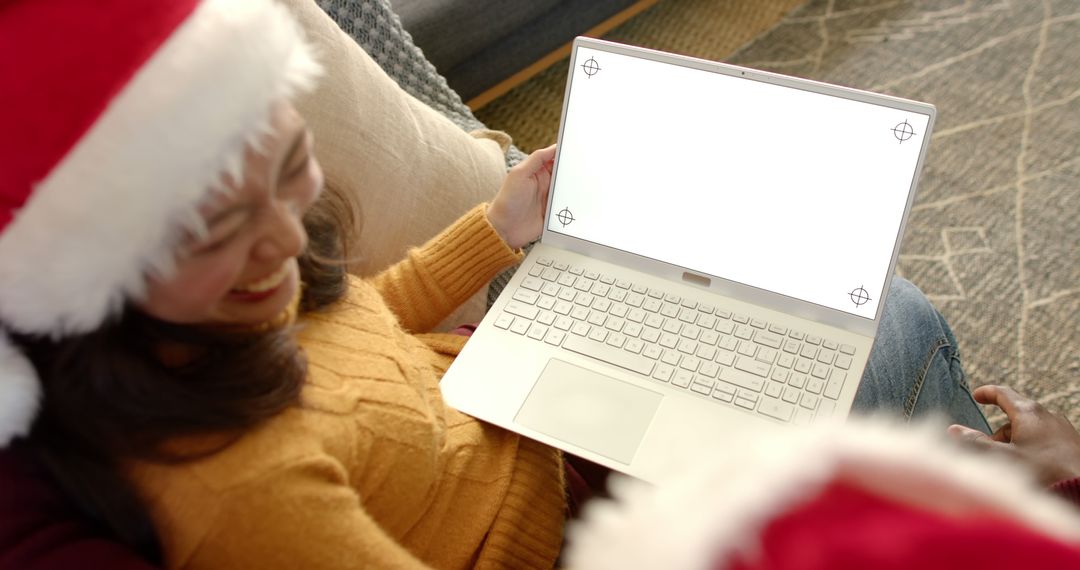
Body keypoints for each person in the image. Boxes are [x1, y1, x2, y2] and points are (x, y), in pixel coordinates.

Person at [1, 0, 1072, 568]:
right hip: (560, 529)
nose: (286, 241)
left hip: (522, 418)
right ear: (99, 275)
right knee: (889, 318)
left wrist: (494, 228)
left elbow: (360, 323)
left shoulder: (232, 313)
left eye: (293, 172)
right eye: (224, 229)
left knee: (777, 295)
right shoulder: (243, 498)